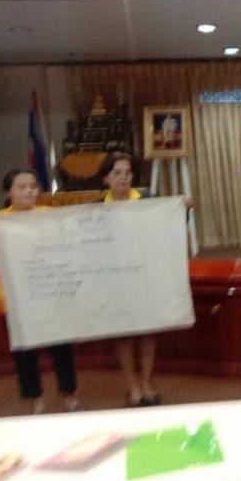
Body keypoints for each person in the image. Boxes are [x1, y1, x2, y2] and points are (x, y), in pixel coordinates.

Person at [0, 169, 80, 414]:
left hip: (50, 292)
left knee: (62, 348)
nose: (29, 191)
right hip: (14, 298)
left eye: (32, 186)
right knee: (25, 353)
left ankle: (69, 393)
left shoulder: (49, 215)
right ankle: (35, 399)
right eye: (22, 187)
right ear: (8, 192)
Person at [99, 151, 160, 407]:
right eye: (117, 173)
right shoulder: (96, 209)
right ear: (106, 178)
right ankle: (132, 385)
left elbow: (166, 228)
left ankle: (147, 382)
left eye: (128, 172)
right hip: (115, 280)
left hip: (145, 275)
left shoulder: (148, 200)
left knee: (147, 332)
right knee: (123, 335)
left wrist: (184, 208)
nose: (123, 178)